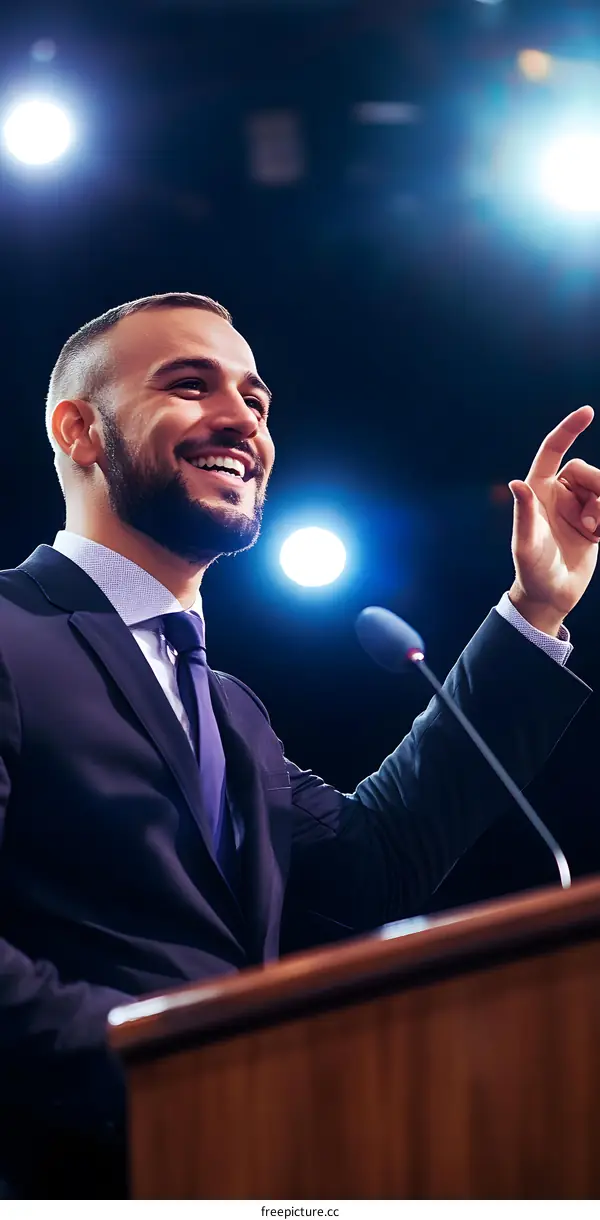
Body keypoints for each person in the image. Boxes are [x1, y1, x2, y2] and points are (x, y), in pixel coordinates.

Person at [0, 291, 598, 1198]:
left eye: (255, 399)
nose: (239, 418)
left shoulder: (231, 711)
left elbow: (374, 862)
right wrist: (185, 1073)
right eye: (190, 385)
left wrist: (537, 610)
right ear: (80, 431)